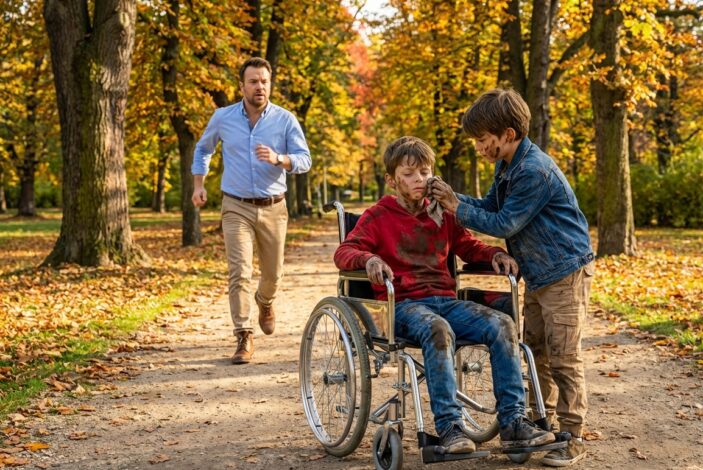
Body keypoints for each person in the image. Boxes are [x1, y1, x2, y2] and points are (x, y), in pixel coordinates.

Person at [334, 136, 555, 454]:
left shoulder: (442, 212)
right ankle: (451, 428)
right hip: (404, 307)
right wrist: (368, 259)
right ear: (391, 179)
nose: (419, 180)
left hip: (446, 301)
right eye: (409, 174)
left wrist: (494, 254)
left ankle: (513, 423)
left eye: (424, 172)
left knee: (501, 323)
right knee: (438, 329)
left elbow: (467, 246)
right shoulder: (378, 216)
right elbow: (345, 251)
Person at [430, 89, 594, 467]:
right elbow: (490, 207)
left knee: (564, 356)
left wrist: (456, 208)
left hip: (565, 272)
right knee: (536, 353)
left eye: (483, 140)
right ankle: (544, 426)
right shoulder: (507, 165)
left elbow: (505, 223)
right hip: (538, 275)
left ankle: (573, 435)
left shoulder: (534, 170)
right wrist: (454, 197)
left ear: (507, 133)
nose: (479, 147)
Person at [191, 57, 311, 364]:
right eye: (254, 81)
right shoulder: (223, 117)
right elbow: (203, 149)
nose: (260, 87)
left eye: (265, 81)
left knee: (272, 274)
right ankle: (243, 335)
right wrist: (199, 184)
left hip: (274, 207)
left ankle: (265, 301)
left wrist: (279, 159)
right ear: (242, 85)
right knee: (239, 271)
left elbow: (304, 160)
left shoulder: (285, 120)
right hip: (235, 206)